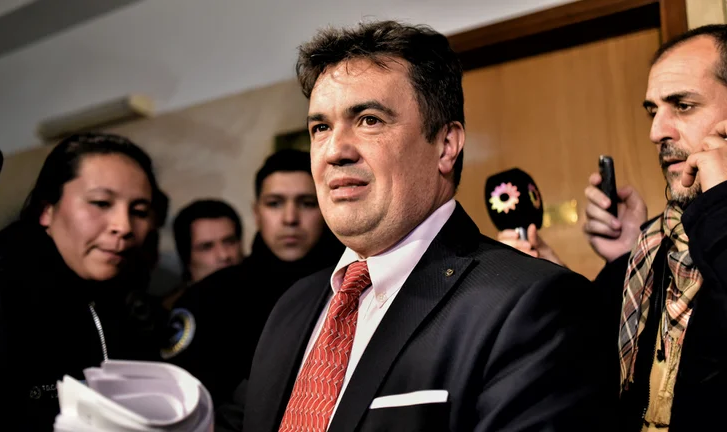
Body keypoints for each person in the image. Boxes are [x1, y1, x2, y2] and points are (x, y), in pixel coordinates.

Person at [217, 20, 615, 432]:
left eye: (369, 120)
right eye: (321, 128)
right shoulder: (294, 305)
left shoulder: (533, 304)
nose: (335, 150)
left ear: (446, 146)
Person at [498, 24, 727, 431]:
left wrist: (721, 204)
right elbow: (599, 368)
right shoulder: (655, 245)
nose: (656, 132)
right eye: (653, 111)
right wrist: (615, 261)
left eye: (683, 106)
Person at [0, 132, 167, 430]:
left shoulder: (128, 300)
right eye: (100, 203)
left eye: (139, 211)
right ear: (47, 209)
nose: (124, 226)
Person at [164, 149, 344, 408]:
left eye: (306, 203)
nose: (290, 218)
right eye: (275, 203)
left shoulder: (354, 286)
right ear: (257, 213)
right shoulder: (209, 296)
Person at [162, 199, 244, 309]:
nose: (223, 255)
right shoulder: (173, 310)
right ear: (186, 257)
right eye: (206, 247)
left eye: (230, 242)